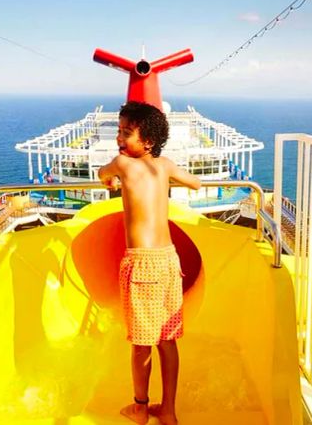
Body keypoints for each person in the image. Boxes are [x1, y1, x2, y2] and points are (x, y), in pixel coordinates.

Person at [98, 101, 201, 425]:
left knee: (142, 344)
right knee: (167, 339)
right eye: (119, 131)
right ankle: (168, 409)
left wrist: (109, 182)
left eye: (126, 133)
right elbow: (196, 183)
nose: (119, 138)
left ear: (148, 142)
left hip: (142, 264)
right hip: (170, 260)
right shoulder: (166, 165)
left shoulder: (121, 164)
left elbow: (103, 175)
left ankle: (140, 407)